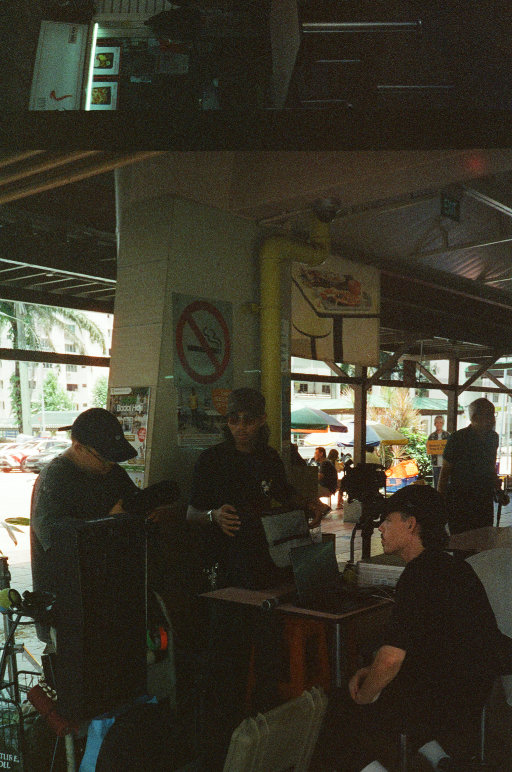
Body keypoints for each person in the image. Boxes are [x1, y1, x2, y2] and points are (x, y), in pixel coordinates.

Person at [314, 484, 506, 772]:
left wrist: (365, 695)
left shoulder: (418, 578)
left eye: (388, 521)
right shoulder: (454, 567)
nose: (380, 529)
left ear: (411, 524)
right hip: (470, 695)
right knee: (377, 674)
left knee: (338, 708)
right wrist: (374, 672)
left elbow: (392, 660)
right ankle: (437, 757)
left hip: (437, 702)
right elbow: (430, 647)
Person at [187, 388, 323, 768]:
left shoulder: (268, 458)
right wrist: (212, 516)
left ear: (261, 420)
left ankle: (263, 732)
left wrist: (307, 502)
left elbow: (283, 494)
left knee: (265, 651)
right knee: (224, 657)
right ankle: (217, 746)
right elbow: (190, 513)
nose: (241, 428)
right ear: (226, 422)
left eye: (248, 420)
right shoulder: (211, 460)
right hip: (226, 570)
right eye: (234, 420)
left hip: (263, 566)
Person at [437, 397, 500, 534]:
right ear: (475, 417)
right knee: (462, 544)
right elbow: (445, 473)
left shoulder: (493, 438)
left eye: (493, 415)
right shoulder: (457, 438)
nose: (493, 419)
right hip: (460, 502)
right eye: (488, 415)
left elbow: (490, 467)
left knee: (485, 543)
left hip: (484, 500)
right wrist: (439, 504)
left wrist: (498, 489)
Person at [427, 414, 450, 489]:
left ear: (443, 424)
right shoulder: (431, 436)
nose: (438, 424)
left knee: (446, 483)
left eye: (440, 422)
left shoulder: (447, 435)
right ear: (434, 424)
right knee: (436, 483)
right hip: (435, 463)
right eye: (437, 422)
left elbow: (451, 448)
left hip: (445, 463)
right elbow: (429, 447)